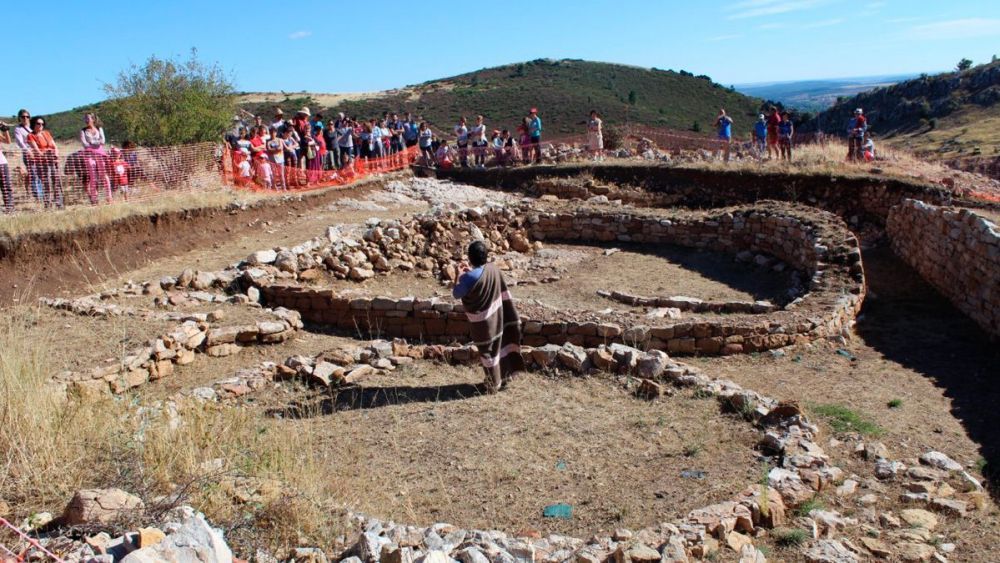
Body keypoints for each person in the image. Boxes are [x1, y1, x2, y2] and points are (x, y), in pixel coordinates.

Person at [451, 240, 525, 393]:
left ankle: (493, 383)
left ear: (471, 258)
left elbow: (456, 293)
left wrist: (459, 275)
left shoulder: (468, 278)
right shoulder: (493, 269)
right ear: (485, 255)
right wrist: (470, 272)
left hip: (482, 324)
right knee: (500, 346)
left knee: (488, 352)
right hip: (498, 316)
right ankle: (505, 376)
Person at [26, 116, 62, 208]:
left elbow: (54, 146)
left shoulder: (46, 133)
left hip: (52, 160)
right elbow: (37, 150)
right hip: (42, 162)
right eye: (38, 123)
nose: (41, 125)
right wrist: (46, 154)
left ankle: (59, 203)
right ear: (34, 124)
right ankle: (48, 204)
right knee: (47, 182)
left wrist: (56, 155)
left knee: (56, 181)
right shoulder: (31, 136)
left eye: (42, 124)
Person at [80, 113, 112, 204]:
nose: (86, 120)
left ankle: (109, 197)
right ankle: (94, 199)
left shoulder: (99, 128)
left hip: (100, 153)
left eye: (88, 118)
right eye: (85, 118)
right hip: (89, 155)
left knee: (104, 175)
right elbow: (84, 144)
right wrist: (96, 142)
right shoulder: (83, 130)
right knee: (93, 176)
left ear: (93, 119)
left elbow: (103, 141)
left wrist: (92, 142)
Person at [13, 109, 42, 203]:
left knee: (40, 174)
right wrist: (28, 151)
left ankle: (41, 194)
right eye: (23, 117)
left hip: (39, 153)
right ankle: (38, 197)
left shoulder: (34, 127)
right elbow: (20, 142)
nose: (25, 118)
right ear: (19, 118)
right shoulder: (18, 129)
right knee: (33, 174)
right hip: (28, 154)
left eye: (27, 116)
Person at [0, 119, 13, 212]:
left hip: (1, 162)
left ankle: (9, 207)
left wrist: (5, 129)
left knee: (6, 186)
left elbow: (8, 141)